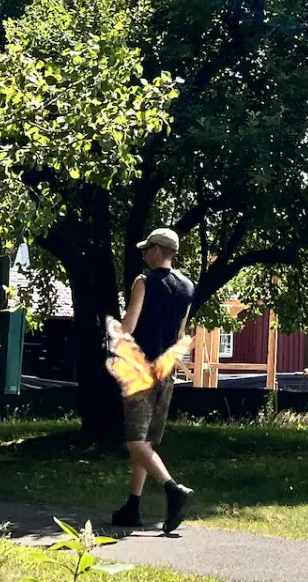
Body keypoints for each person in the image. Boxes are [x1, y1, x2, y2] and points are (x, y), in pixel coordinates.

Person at [112, 226, 195, 533]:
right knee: (146, 441)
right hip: (167, 369)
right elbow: (181, 334)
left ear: (159, 251)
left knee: (134, 441)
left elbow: (129, 325)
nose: (145, 254)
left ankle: (173, 489)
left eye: (148, 249)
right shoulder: (188, 287)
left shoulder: (143, 282)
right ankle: (132, 507)